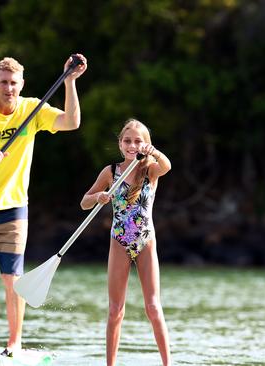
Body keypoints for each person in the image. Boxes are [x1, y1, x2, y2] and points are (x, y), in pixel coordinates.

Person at [0, 54, 87, 356]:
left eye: (14, 83)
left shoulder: (32, 110)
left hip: (14, 210)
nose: (9, 88)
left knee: (12, 279)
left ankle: (14, 342)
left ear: (22, 85)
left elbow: (71, 122)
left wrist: (69, 83)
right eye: (3, 82)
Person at [80, 119, 172, 366]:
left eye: (138, 141)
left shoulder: (150, 168)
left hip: (146, 242)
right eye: (127, 141)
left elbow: (167, 166)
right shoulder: (110, 172)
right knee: (115, 310)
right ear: (120, 144)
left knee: (153, 307)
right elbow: (84, 202)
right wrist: (98, 196)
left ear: (145, 144)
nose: (132, 145)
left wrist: (153, 152)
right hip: (119, 243)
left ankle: (167, 363)